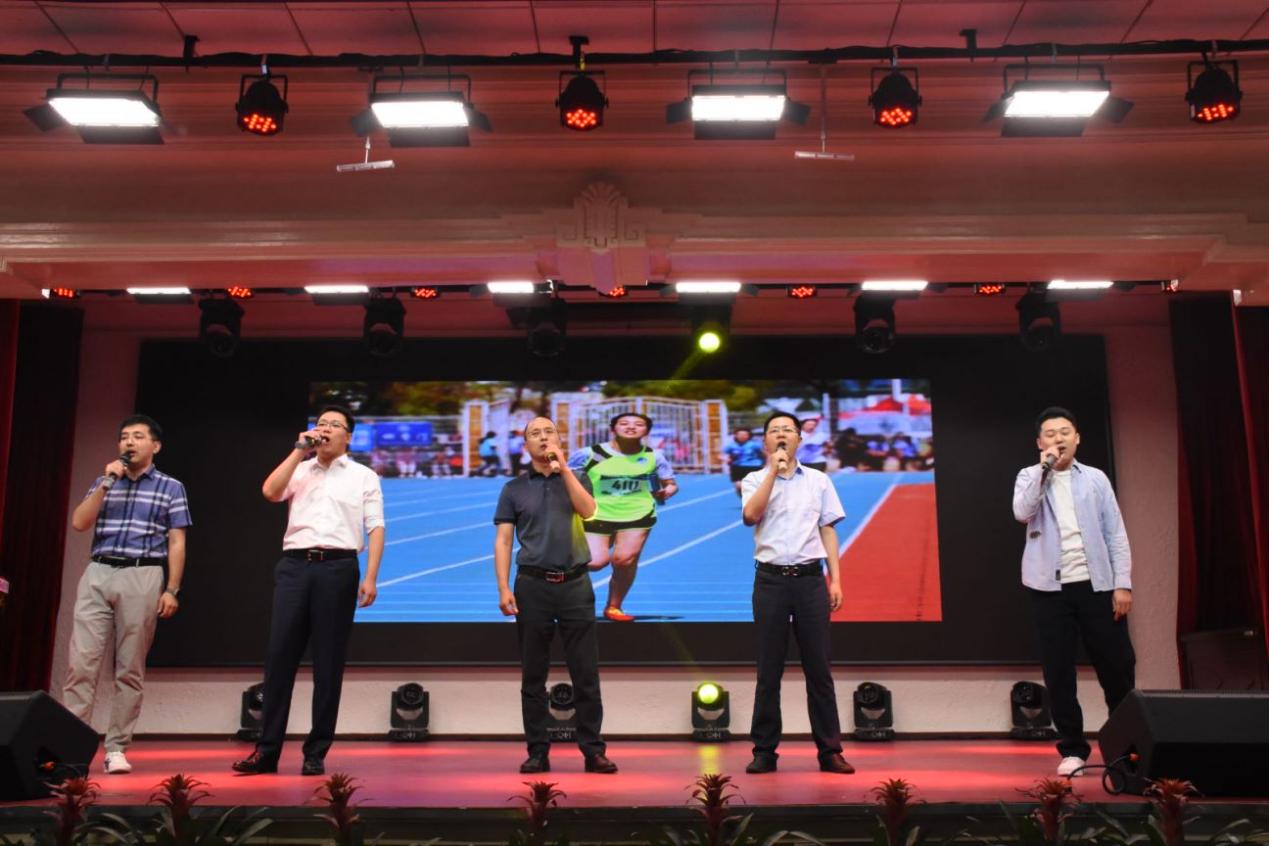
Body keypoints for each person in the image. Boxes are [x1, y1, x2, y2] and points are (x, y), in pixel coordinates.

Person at [233, 406, 384, 776]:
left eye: (334, 424)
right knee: (279, 659)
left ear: (348, 436)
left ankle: (316, 752)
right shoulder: (299, 469)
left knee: (328, 664)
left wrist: (371, 577)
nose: (325, 428)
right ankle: (267, 752)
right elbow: (270, 492)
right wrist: (298, 450)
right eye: (321, 423)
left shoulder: (364, 476)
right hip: (295, 568)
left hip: (338, 568)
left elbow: (376, 527)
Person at [63, 414, 191, 775]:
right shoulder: (105, 481)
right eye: (124, 437)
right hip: (99, 571)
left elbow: (177, 541)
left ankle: (116, 748)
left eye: (137, 436)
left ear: (155, 446)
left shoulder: (171, 487)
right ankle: (72, 748)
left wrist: (172, 588)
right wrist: (105, 485)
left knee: (129, 667)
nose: (129, 443)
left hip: (143, 573)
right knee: (81, 665)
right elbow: (79, 522)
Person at [1012, 407, 1135, 778]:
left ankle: (1127, 749)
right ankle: (1073, 749)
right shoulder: (1029, 476)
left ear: (1077, 438)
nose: (1058, 439)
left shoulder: (1095, 479)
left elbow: (1115, 532)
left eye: (1065, 432)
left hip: (1097, 585)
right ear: (1040, 442)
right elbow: (1022, 512)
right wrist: (1044, 470)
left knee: (1117, 668)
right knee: (1059, 672)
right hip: (1049, 589)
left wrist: (1122, 583)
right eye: (1050, 434)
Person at [494, 416, 617, 775]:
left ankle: (593, 751)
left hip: (575, 584)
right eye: (535, 433)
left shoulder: (577, 478)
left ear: (560, 441)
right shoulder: (514, 488)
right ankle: (537, 751)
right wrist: (503, 587)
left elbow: (589, 511)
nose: (543, 437)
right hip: (532, 585)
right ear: (525, 446)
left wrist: (564, 469)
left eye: (549, 432)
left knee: (585, 673)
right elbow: (503, 541)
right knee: (533, 674)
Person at [740, 412, 854, 775]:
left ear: (799, 439)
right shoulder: (754, 479)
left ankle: (830, 751)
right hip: (770, 581)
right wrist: (773, 472)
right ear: (765, 441)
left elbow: (828, 530)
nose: (781, 434)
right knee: (768, 671)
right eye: (774, 431)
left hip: (809, 581)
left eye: (788, 430)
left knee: (819, 669)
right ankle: (764, 751)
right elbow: (750, 516)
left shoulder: (819, 480)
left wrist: (835, 580)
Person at [568, 413, 678, 622]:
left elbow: (670, 483)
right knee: (595, 562)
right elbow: (567, 479)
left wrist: (668, 491)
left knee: (625, 560)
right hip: (596, 513)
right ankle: (559, 590)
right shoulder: (590, 454)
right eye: (624, 423)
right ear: (613, 428)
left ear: (646, 431)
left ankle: (614, 606)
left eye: (639, 424)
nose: (631, 427)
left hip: (638, 514)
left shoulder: (654, 456)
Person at [723, 427, 765, 497]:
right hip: (737, 467)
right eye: (740, 435)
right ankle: (744, 499)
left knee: (754, 486)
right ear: (736, 435)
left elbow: (764, 454)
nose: (742, 436)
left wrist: (766, 464)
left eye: (745, 435)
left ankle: (755, 499)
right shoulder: (731, 445)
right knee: (739, 486)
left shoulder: (755, 445)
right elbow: (722, 455)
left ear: (749, 436)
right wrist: (726, 459)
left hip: (753, 467)